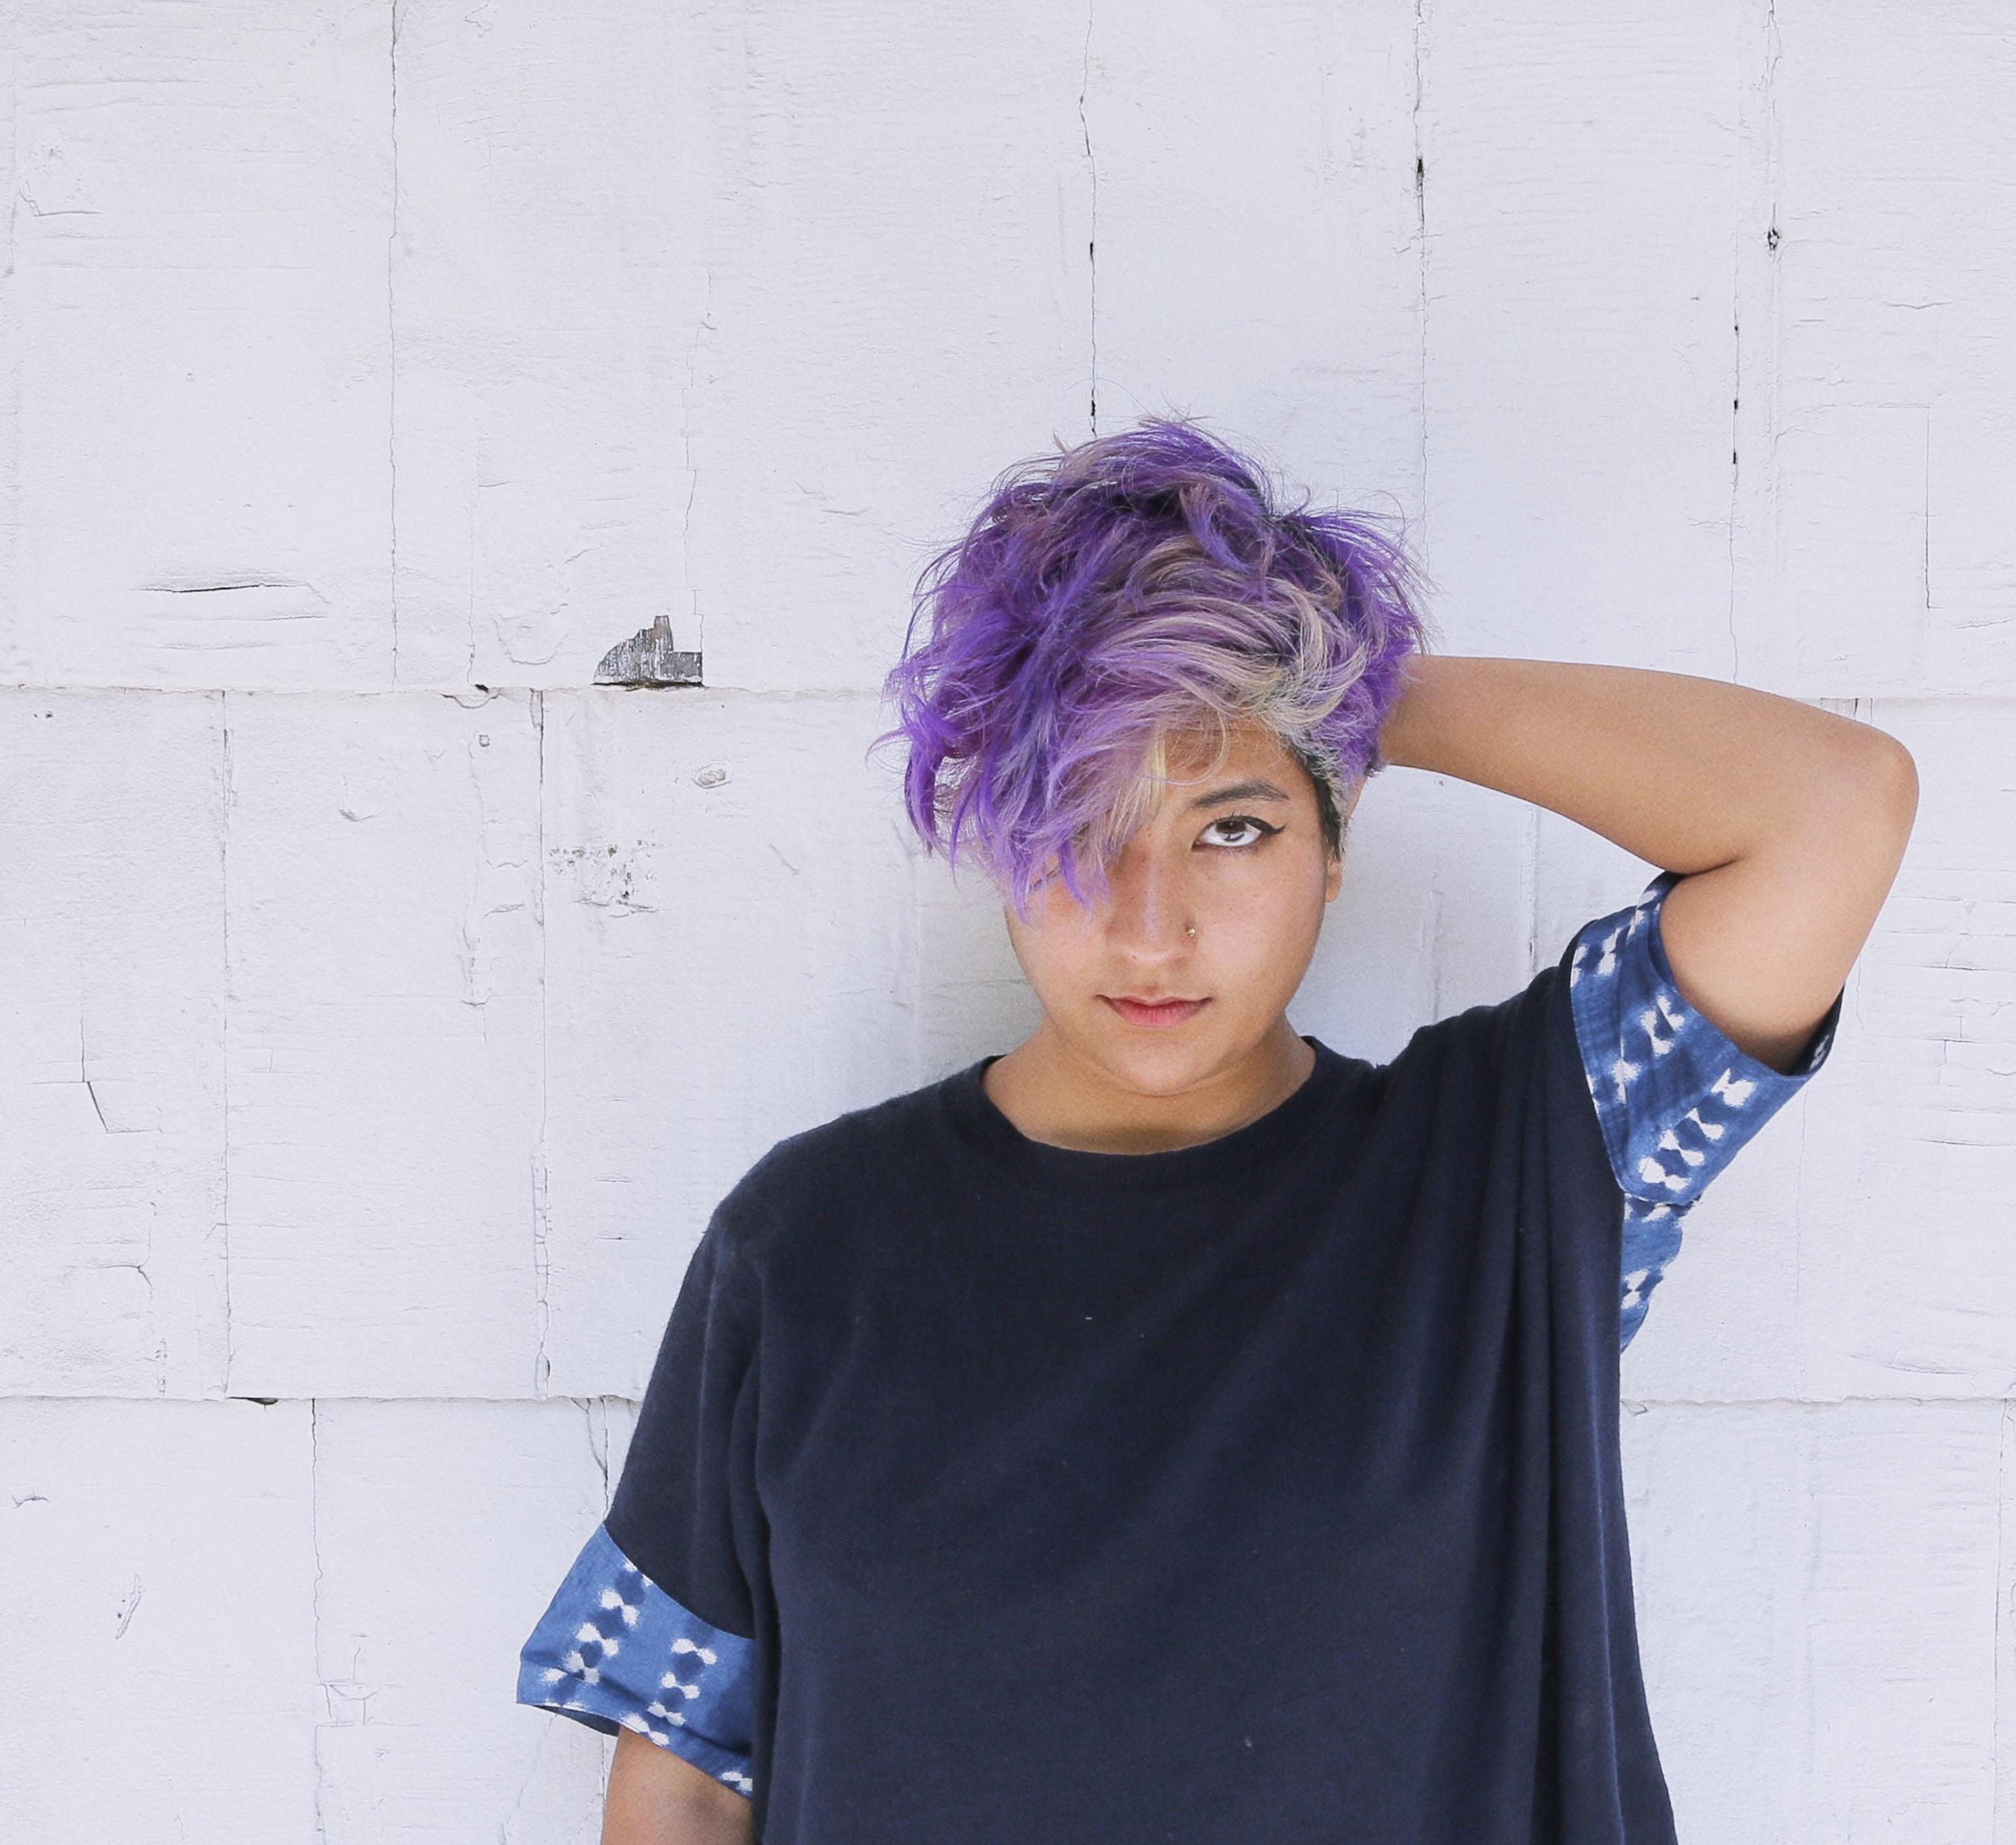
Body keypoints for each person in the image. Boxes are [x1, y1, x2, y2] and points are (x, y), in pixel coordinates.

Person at [514, 418, 1916, 1843]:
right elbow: (684, 1770)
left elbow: (1832, 808)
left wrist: (1335, 682)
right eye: (1077, 821)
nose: (1151, 923)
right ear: (995, 838)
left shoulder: (1515, 1178)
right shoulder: (814, 1242)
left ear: (1337, 834)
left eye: (1233, 826)